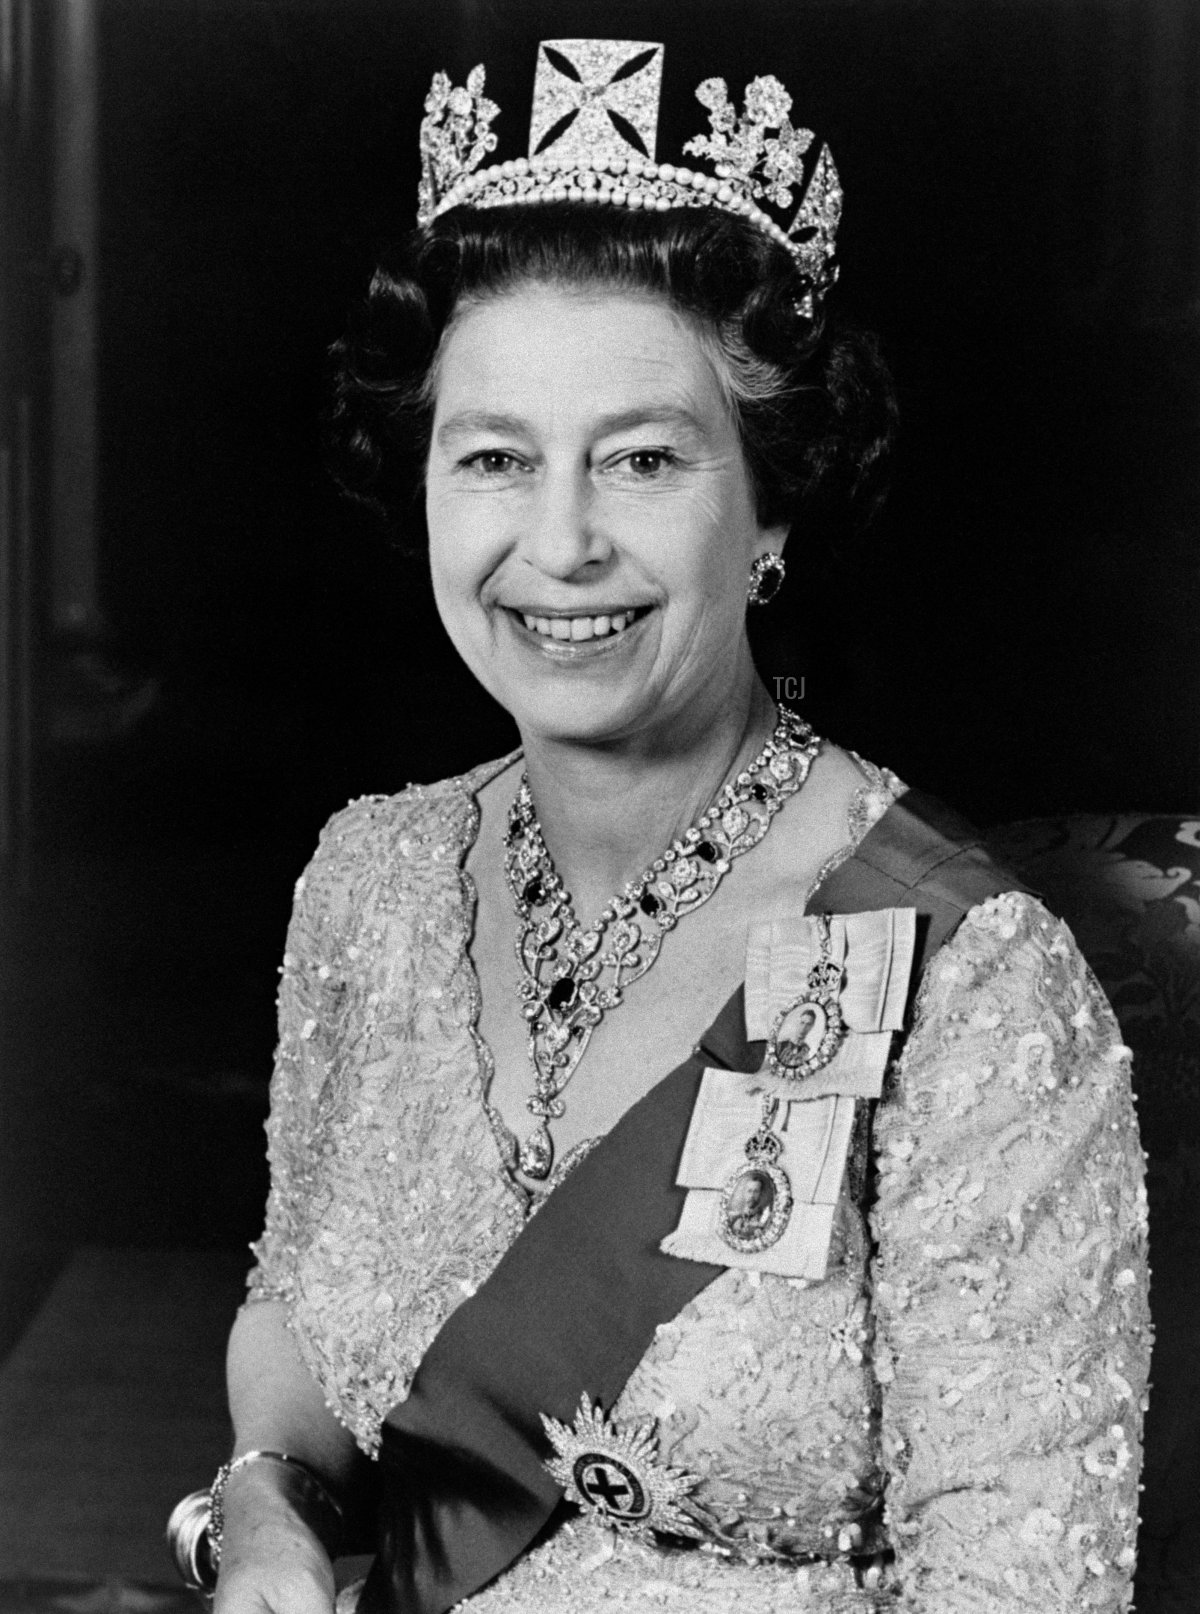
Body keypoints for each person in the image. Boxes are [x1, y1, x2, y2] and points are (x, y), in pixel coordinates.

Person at [181, 38, 1151, 1614]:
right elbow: (300, 1374)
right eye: (494, 457)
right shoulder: (368, 881)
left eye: (641, 457)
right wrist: (263, 1523)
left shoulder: (970, 979)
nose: (559, 542)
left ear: (771, 506)